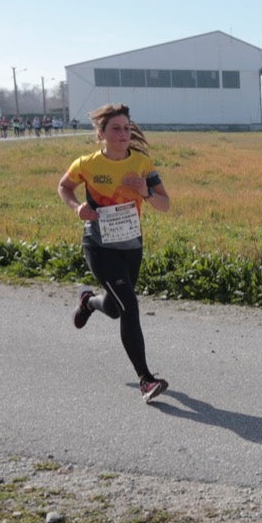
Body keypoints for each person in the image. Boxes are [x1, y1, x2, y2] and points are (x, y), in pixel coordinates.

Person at [56, 102, 173, 402]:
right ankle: (146, 379)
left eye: (126, 127)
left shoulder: (143, 164)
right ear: (101, 134)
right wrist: (77, 207)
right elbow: (64, 187)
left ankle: (89, 302)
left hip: (131, 246)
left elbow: (165, 204)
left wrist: (145, 191)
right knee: (130, 307)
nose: (123, 133)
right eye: (116, 129)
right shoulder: (86, 164)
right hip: (99, 246)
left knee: (115, 307)